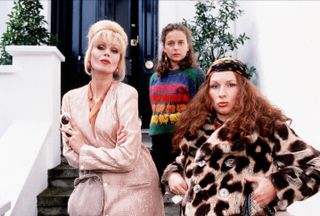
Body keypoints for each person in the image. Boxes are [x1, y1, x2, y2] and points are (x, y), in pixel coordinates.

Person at [162, 57, 320, 215]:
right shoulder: (195, 127)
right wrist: (173, 175)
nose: (222, 93)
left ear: (244, 89)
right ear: (207, 92)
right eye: (215, 86)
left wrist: (275, 186)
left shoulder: (267, 128)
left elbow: (315, 166)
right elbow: (181, 163)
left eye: (231, 85)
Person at [60, 20, 164, 216]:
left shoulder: (127, 94)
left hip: (134, 190)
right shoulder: (70, 99)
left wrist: (84, 148)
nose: (107, 53)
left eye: (115, 50)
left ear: (119, 63)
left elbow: (127, 158)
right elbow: (71, 156)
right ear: (89, 55)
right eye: (100, 47)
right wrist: (110, 151)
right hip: (94, 191)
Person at [149, 23, 205, 182]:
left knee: (185, 184)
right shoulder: (155, 78)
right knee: (158, 183)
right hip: (159, 138)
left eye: (181, 43)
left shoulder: (195, 74)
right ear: (164, 47)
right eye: (171, 43)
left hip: (184, 138)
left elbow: (202, 108)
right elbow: (155, 108)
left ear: (188, 46)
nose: (176, 47)